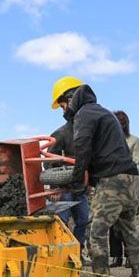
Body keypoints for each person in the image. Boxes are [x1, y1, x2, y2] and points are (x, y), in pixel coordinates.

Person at [62, 80, 139, 277]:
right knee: (128, 228)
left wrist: (75, 179)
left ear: (71, 99)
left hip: (112, 181)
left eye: (63, 105)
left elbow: (82, 147)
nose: (64, 110)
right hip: (130, 179)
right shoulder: (103, 112)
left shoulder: (84, 114)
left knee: (95, 233)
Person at [50, 76, 90, 255]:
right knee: (61, 223)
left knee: (83, 221)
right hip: (64, 190)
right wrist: (55, 188)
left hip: (80, 189)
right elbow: (50, 162)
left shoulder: (86, 130)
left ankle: (77, 251)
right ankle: (62, 254)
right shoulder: (59, 134)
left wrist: (88, 183)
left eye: (62, 105)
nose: (62, 110)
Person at [109, 110, 139, 268]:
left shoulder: (134, 141)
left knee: (128, 224)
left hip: (129, 187)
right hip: (110, 189)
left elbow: (137, 165)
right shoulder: (107, 142)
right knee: (112, 224)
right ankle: (116, 256)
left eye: (122, 122)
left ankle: (131, 256)